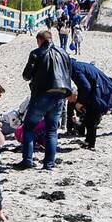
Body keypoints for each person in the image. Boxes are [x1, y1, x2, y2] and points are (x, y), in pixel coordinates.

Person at [16, 30, 72, 171]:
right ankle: (49, 164)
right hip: (60, 93)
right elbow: (68, 73)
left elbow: (26, 75)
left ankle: (28, 160)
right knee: (52, 130)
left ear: (40, 40)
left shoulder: (37, 53)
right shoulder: (63, 53)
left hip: (43, 94)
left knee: (28, 127)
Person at [68, 60, 112, 148]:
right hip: (100, 91)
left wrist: (80, 102)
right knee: (90, 117)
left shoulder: (75, 69)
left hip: (100, 93)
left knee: (92, 119)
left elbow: (86, 87)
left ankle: (90, 143)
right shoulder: (78, 65)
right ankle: (88, 141)